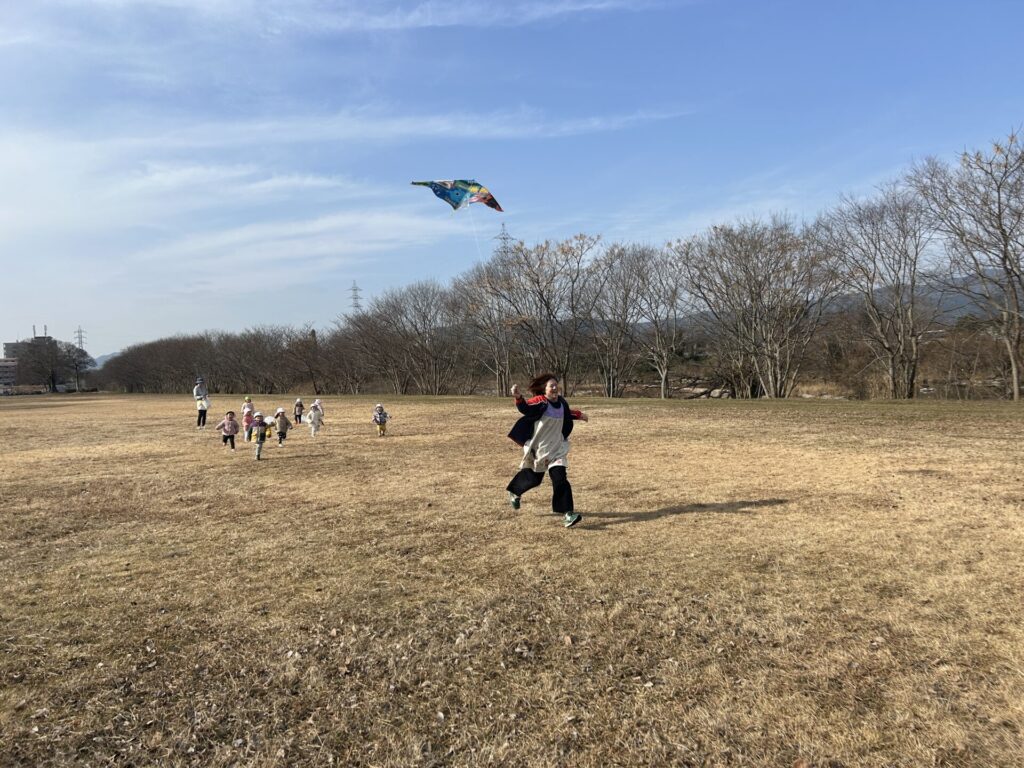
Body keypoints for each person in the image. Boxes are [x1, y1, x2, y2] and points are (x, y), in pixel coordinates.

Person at [506, 373, 588, 528]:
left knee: (560, 478)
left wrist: (579, 415)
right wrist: (518, 398)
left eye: (556, 385)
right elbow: (526, 408)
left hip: (557, 449)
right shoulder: (540, 401)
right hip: (541, 449)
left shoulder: (561, 402)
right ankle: (515, 491)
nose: (555, 388)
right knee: (534, 479)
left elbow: (566, 413)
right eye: (551, 386)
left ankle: (568, 514)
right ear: (544, 389)